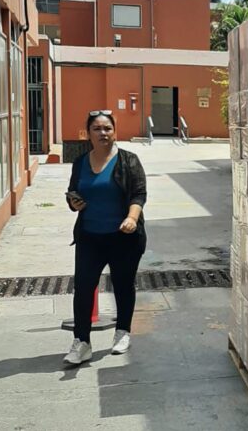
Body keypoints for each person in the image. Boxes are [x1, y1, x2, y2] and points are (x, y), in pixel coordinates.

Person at [63, 110, 148, 365]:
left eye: (107, 129)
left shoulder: (128, 160)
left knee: (123, 285)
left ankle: (122, 332)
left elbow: (139, 194)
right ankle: (82, 342)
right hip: (90, 235)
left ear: (115, 132)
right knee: (84, 288)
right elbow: (73, 192)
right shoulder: (80, 163)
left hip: (123, 236)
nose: (103, 133)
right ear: (88, 133)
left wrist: (132, 218)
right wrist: (73, 202)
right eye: (97, 129)